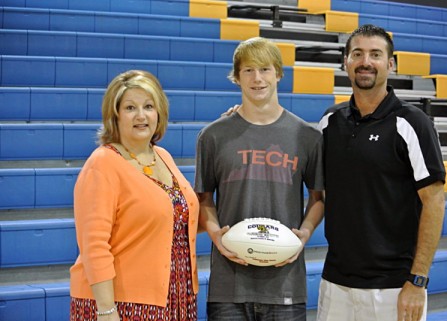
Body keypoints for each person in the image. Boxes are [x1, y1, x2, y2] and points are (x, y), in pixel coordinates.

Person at [316, 24, 446, 321]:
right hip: (336, 281)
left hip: (394, 288)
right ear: (345, 62)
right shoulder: (329, 122)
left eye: (375, 54)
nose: (366, 62)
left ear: (390, 64)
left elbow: (434, 202)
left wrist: (418, 281)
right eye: (357, 54)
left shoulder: (412, 123)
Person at [194, 37, 325, 321]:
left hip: (285, 283)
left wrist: (305, 234)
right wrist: (216, 235)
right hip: (229, 286)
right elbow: (204, 198)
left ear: (278, 73)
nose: (257, 78)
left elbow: (318, 199)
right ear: (236, 78)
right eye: (248, 70)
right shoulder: (213, 136)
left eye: (265, 69)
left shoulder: (308, 137)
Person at [70, 70, 200, 321]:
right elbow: (94, 245)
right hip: (123, 303)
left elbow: (178, 218)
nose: (141, 116)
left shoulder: (163, 156)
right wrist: (106, 310)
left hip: (177, 297)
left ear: (159, 112)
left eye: (148, 106)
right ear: (115, 115)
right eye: (130, 107)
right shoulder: (102, 163)